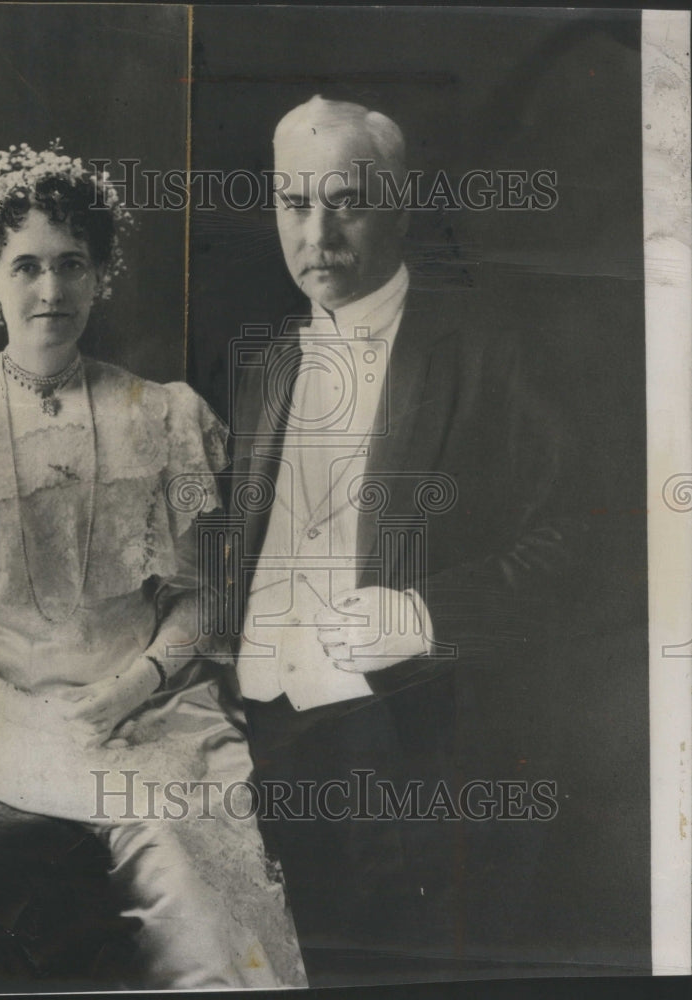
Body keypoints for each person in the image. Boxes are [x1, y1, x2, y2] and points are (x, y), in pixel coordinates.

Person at [0, 141, 305, 990]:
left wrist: (128, 689)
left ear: (101, 276)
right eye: (26, 266)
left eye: (71, 265)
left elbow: (202, 598)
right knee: (152, 834)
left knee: (201, 852)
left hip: (153, 699)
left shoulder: (166, 415)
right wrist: (36, 717)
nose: (51, 291)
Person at [227, 96, 585, 984]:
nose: (316, 234)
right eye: (293, 203)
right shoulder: (266, 366)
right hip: (259, 746)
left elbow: (586, 545)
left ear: (400, 204)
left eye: (345, 202)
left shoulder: (495, 350)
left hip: (412, 764)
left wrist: (427, 615)